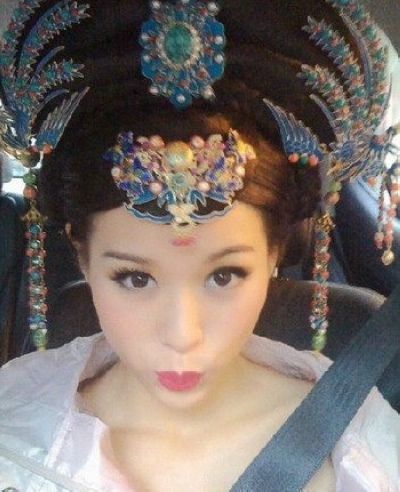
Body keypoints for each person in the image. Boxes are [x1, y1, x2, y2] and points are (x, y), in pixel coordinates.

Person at [0, 0, 399, 490]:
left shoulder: (366, 452)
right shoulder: (14, 426)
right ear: (81, 256)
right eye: (135, 278)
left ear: (275, 255)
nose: (183, 335)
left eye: (224, 276)